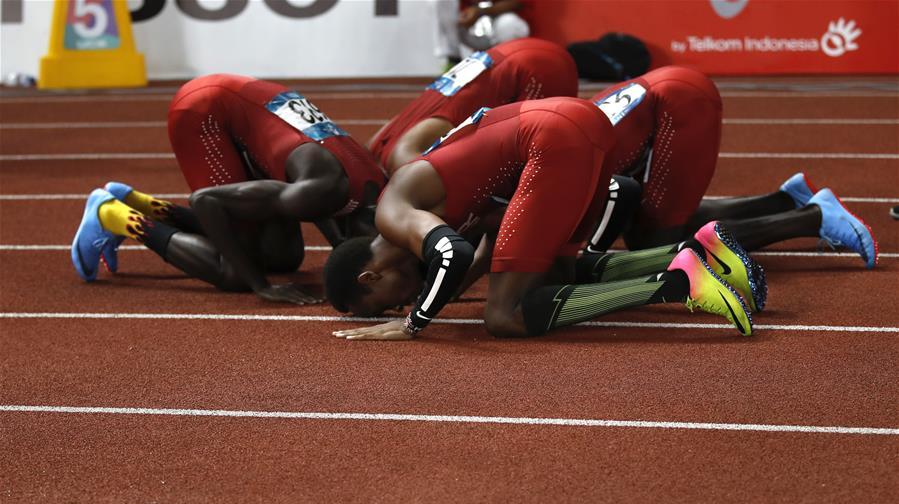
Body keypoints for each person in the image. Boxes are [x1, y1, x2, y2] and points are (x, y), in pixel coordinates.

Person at [325, 98, 763, 340]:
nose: (403, 300)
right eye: (399, 307)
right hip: (577, 122)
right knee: (555, 274)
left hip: (547, 140)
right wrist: (449, 293)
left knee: (504, 317)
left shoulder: (391, 214)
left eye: (390, 302)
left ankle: (681, 283)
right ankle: (699, 249)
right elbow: (490, 241)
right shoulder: (428, 204)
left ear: (371, 275)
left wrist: (414, 322)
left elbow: (453, 252)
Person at [71, 74, 386, 303]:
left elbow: (324, 206)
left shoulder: (377, 183)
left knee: (282, 257)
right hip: (204, 113)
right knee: (235, 273)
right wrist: (260, 286)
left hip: (248, 105)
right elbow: (205, 202)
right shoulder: (319, 190)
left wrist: (338, 244)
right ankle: (115, 215)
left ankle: (141, 203)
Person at [584, 66, 879, 269]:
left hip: (680, 104)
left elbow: (621, 192)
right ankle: (786, 200)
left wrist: (590, 255)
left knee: (652, 243)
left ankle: (814, 218)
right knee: (647, 220)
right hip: (667, 94)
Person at [368, 37, 577, 174]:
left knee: (541, 155)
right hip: (518, 51)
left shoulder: (390, 153)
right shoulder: (378, 143)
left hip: (536, 70)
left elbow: (402, 155)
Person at [434, 0, 530, 68]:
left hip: (498, 26)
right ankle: (453, 60)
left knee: (510, 24)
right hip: (467, 29)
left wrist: (481, 11)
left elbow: (516, 3)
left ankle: (509, 66)